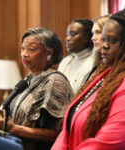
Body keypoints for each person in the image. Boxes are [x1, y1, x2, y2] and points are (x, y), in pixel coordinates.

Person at [0, 28, 74, 150]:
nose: (24, 54)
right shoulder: (29, 78)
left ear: (49, 53)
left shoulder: (55, 82)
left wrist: (12, 128)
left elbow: (58, 135)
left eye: (31, 49)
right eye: (23, 48)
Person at [51, 9, 125, 150]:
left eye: (112, 40)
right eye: (103, 39)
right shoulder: (103, 74)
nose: (104, 45)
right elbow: (67, 128)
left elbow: (108, 143)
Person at [58, 18, 95, 95]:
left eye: (73, 34)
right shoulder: (65, 61)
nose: (67, 38)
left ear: (87, 38)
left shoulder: (94, 63)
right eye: (67, 35)